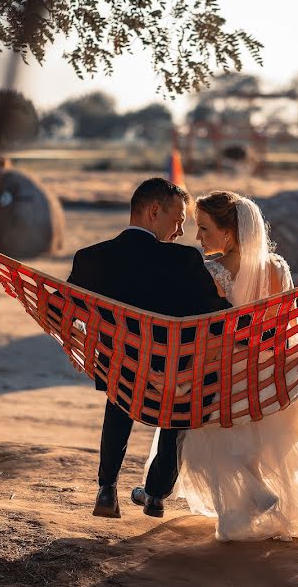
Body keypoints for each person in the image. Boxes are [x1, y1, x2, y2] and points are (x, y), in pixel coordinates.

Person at [143, 190, 298, 541]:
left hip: (227, 369)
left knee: (208, 439)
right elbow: (284, 325)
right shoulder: (277, 268)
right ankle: (258, 495)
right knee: (257, 436)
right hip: (273, 368)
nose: (198, 237)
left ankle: (254, 500)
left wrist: (188, 370)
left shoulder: (211, 273)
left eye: (204, 229)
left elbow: (209, 334)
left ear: (228, 233)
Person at [66, 178, 228, 519]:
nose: (181, 230)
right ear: (154, 212)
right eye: (178, 219)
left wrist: (80, 346)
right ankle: (155, 496)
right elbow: (218, 318)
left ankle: (106, 489)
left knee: (119, 398)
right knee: (179, 407)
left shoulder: (91, 258)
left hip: (118, 370)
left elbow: (61, 310)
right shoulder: (183, 261)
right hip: (170, 374)